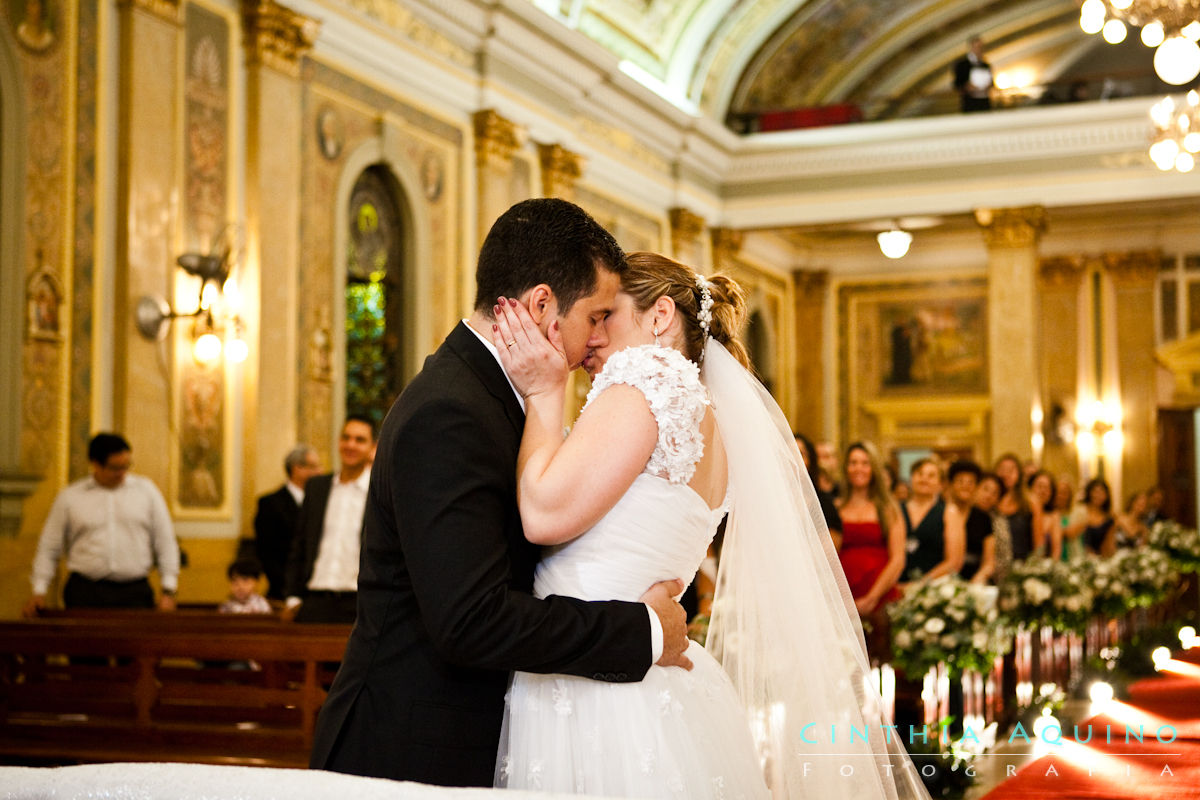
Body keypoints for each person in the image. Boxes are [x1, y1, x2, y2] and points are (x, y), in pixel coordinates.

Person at [491, 253, 928, 799]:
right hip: (653, 672)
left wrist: (544, 392)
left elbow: (542, 513)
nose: (590, 336)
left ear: (661, 316)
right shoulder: (710, 414)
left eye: (606, 315)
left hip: (594, 683)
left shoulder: (647, 379)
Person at [308, 199, 689, 786]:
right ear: (542, 306)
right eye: (595, 316)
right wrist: (642, 631)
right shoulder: (450, 412)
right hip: (410, 752)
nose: (597, 340)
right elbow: (470, 620)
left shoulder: (503, 398)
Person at [24, 433, 179, 617]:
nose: (122, 473)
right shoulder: (70, 497)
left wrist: (168, 589)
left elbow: (165, 542)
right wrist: (39, 590)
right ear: (95, 464)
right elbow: (49, 548)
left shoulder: (147, 492)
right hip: (85, 592)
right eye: (115, 468)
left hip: (134, 592)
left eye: (126, 466)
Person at [283, 417, 374, 624]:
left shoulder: (380, 491)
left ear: (372, 448)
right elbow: (300, 546)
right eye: (346, 438)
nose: (351, 445)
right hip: (315, 599)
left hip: (359, 602)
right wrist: (292, 597)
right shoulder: (317, 488)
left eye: (360, 440)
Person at [837, 441, 905, 617]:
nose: (858, 468)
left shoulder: (888, 508)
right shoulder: (836, 508)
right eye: (853, 463)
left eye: (865, 463)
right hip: (842, 596)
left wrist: (872, 597)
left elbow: (898, 559)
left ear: (873, 469)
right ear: (846, 468)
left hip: (880, 597)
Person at [254, 445, 320, 601]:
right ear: (297, 468)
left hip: (316, 592)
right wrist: (289, 588)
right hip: (283, 591)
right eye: (314, 467)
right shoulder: (270, 503)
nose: (320, 472)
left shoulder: (319, 503)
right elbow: (266, 552)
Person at [900, 458, 965, 583]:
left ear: (941, 485)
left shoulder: (949, 512)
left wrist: (920, 585)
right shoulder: (896, 510)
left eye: (931, 476)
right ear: (911, 478)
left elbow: (954, 561)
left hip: (934, 587)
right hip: (896, 585)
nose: (924, 479)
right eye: (919, 473)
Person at [947, 460, 994, 583]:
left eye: (970, 482)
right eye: (960, 481)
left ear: (976, 487)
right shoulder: (941, 514)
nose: (965, 486)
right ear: (951, 484)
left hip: (974, 580)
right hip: (943, 580)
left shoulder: (983, 518)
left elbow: (989, 561)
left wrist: (980, 576)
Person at [795, 432, 843, 549]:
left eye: (800, 454)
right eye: (789, 452)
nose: (794, 458)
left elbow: (829, 555)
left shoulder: (824, 503)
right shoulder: (771, 499)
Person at [974, 472, 1012, 583]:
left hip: (990, 579)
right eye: (985, 489)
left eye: (995, 493)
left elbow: (1003, 556)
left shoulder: (998, 521)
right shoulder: (961, 513)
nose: (989, 496)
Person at [1066, 478, 1117, 558]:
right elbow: (1070, 533)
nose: (1098, 495)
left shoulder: (1108, 518)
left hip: (1098, 560)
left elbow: (1109, 546)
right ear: (1089, 493)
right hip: (1077, 556)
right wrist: (1085, 523)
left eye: (1101, 492)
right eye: (1095, 491)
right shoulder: (1080, 511)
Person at [953, 35, 993, 112]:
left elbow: (992, 82)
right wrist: (967, 87)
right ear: (971, 48)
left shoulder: (986, 65)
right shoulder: (962, 64)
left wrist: (989, 86)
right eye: (977, 47)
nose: (979, 50)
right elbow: (957, 84)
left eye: (981, 47)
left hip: (985, 103)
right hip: (970, 104)